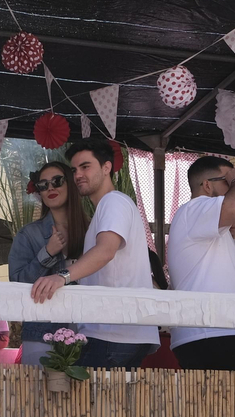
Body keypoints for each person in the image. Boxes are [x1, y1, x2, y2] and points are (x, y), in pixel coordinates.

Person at [30, 138, 157, 368]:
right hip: (118, 331)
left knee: (86, 403)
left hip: (113, 333)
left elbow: (106, 250)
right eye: (74, 169)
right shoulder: (107, 208)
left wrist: (62, 276)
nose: (77, 175)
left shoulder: (113, 201)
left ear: (107, 167)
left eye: (85, 167)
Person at [165, 156, 235, 371]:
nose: (233, 184)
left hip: (214, 333)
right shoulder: (196, 207)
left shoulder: (198, 216)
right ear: (207, 185)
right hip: (214, 334)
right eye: (226, 180)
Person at [8, 162, 88, 366]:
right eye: (43, 185)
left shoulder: (93, 231)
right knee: (36, 397)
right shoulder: (28, 235)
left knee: (85, 397)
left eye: (57, 181)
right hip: (41, 333)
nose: (50, 188)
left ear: (70, 184)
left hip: (87, 332)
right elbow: (16, 282)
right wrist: (48, 252)